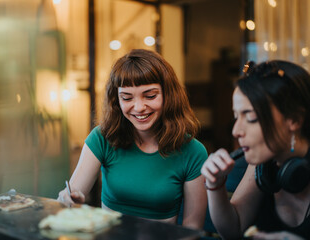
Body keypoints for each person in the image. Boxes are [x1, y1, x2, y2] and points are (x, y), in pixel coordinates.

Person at [57, 49, 208, 229]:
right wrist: (68, 198)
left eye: (150, 96)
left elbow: (192, 228)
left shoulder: (193, 152)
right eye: (127, 98)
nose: (139, 107)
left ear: (169, 95)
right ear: (116, 100)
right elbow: (73, 194)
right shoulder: (102, 138)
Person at [201, 60, 310, 240]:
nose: (236, 131)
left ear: (294, 120)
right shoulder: (262, 162)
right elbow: (233, 229)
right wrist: (215, 185)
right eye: (236, 117)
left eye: (251, 117)